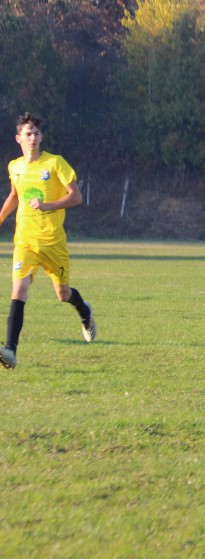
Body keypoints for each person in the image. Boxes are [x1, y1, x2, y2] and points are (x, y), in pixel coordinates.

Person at [0, 113, 95, 370]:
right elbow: (15, 195)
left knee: (63, 294)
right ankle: (11, 351)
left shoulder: (55, 163)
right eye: (28, 134)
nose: (33, 138)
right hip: (25, 242)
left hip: (53, 243)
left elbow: (76, 197)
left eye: (36, 133)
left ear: (41, 137)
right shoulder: (15, 166)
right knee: (19, 290)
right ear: (18, 138)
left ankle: (84, 312)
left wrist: (47, 206)